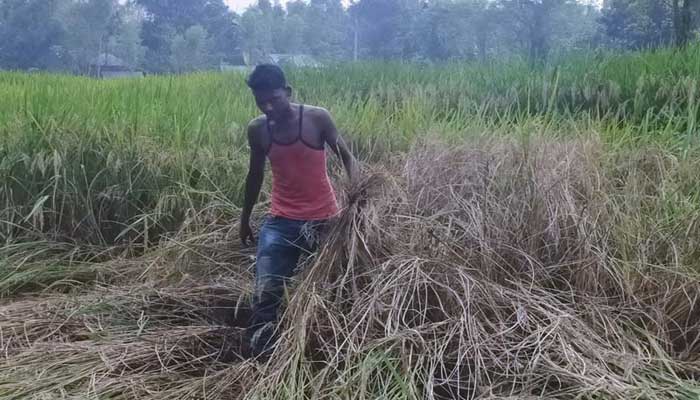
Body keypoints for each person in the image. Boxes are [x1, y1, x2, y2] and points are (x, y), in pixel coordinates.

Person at [239, 64, 358, 359]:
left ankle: (331, 347)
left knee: (334, 288)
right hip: (280, 222)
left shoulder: (317, 119)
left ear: (288, 93)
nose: (268, 107)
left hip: (325, 220)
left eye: (274, 99)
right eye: (261, 101)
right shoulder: (258, 130)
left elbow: (348, 157)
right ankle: (262, 355)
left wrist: (358, 198)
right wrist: (244, 219)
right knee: (267, 293)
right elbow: (254, 176)